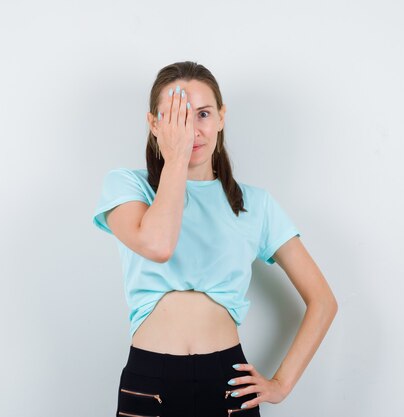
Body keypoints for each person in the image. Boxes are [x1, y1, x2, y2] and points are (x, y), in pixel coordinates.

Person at [92, 61, 338, 417]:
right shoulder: (128, 186)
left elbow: (323, 301)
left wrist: (281, 384)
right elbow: (159, 245)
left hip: (228, 383)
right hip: (150, 381)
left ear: (222, 118)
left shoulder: (256, 204)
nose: (192, 130)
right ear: (155, 125)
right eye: (177, 117)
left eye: (203, 114)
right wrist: (176, 157)